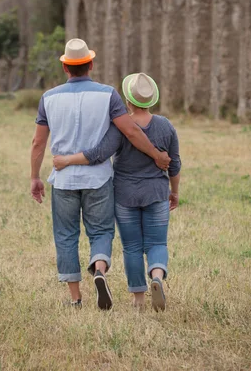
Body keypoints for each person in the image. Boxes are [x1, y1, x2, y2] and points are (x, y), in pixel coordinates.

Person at [30, 40, 171, 310]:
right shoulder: (108, 95)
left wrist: (35, 176)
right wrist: (156, 155)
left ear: (64, 67)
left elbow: (38, 143)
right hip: (98, 179)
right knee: (101, 231)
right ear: (91, 65)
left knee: (66, 235)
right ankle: (100, 270)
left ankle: (75, 298)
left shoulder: (48, 97)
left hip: (64, 179)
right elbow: (130, 131)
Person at [53, 72, 181, 311]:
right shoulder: (166, 126)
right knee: (157, 243)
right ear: (151, 100)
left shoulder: (120, 125)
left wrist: (68, 160)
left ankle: (138, 299)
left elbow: (100, 153)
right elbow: (174, 164)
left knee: (131, 246)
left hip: (125, 195)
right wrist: (174, 191)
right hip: (156, 192)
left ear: (128, 101)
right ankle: (156, 276)